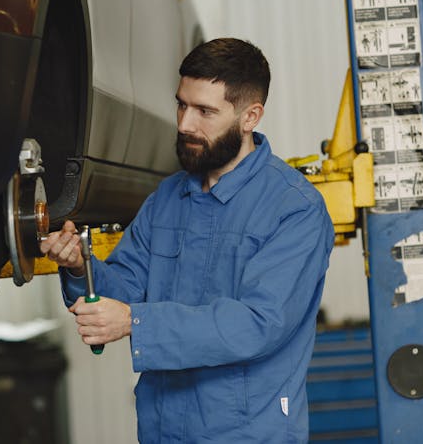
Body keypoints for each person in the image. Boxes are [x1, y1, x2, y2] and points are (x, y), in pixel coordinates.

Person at [41, 38, 334, 443]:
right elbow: (125, 289)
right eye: (181, 104)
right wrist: (79, 267)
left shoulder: (294, 208)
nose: (183, 124)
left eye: (205, 111)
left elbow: (259, 323)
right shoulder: (167, 199)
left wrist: (135, 322)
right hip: (163, 430)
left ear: (250, 116)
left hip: (247, 434)